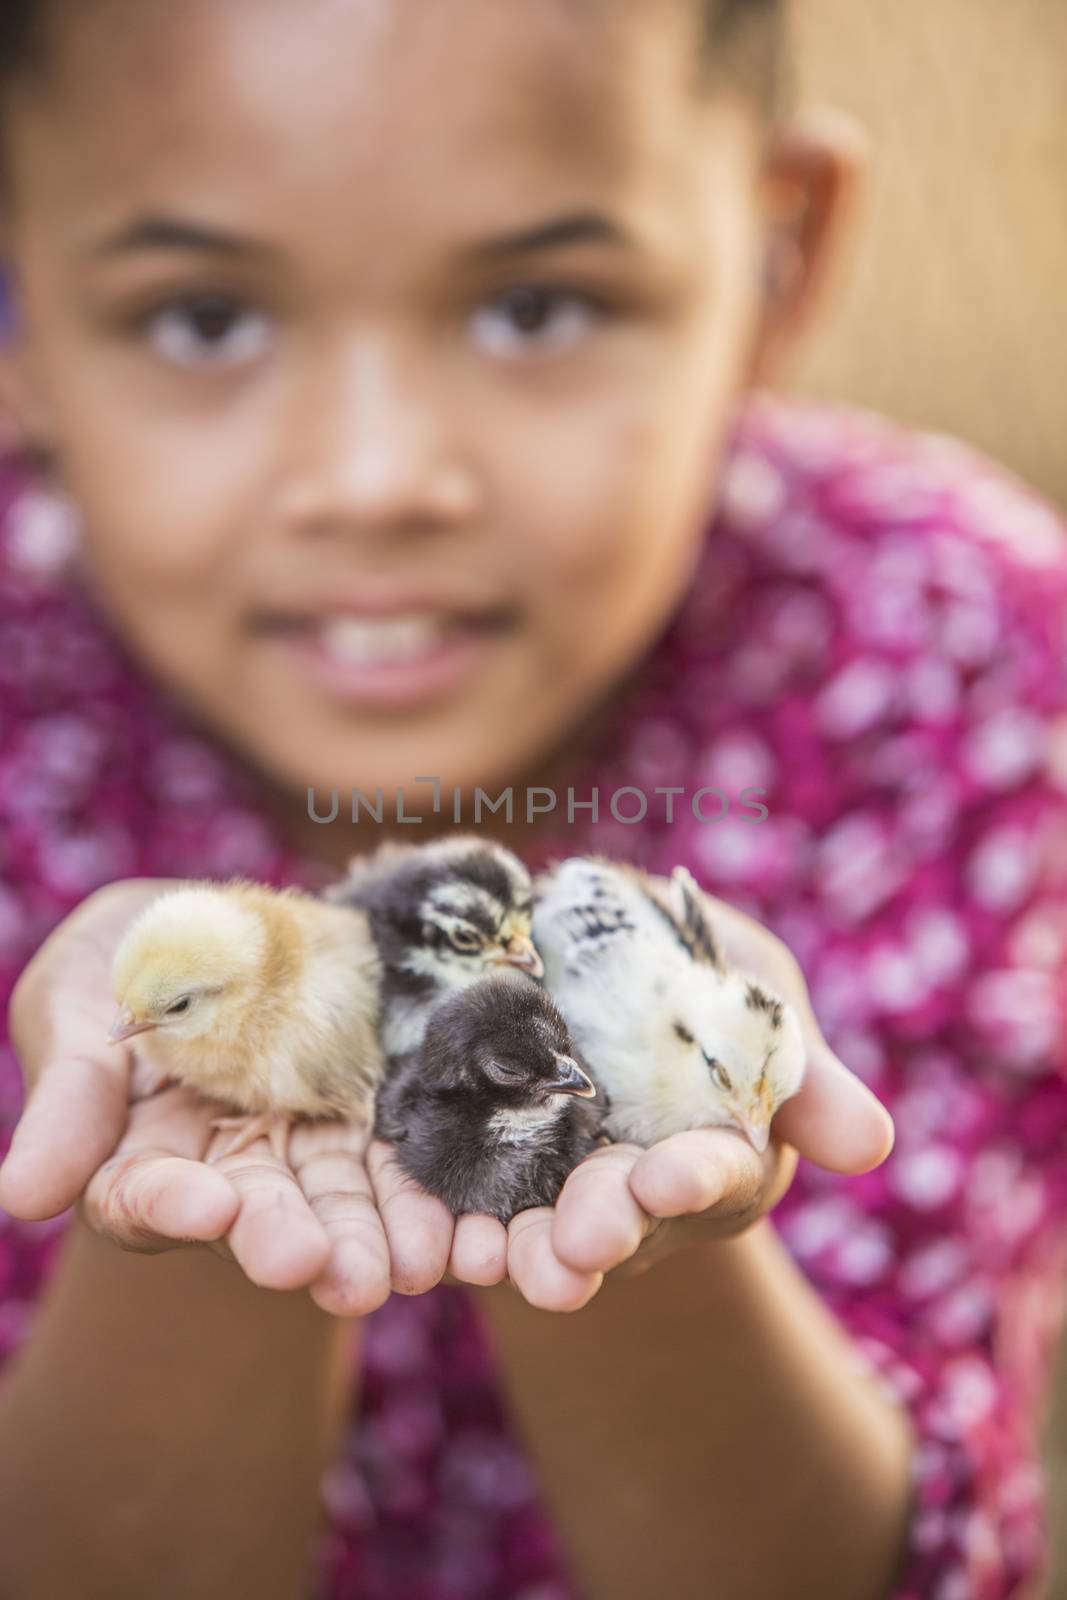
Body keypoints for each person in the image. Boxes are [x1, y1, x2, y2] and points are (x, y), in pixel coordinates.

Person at [0, 2, 1064, 1596]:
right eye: (206, 317)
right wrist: (193, 1216)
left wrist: (650, 1178)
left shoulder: (963, 667)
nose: (378, 476)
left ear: (780, 257)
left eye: (535, 305)